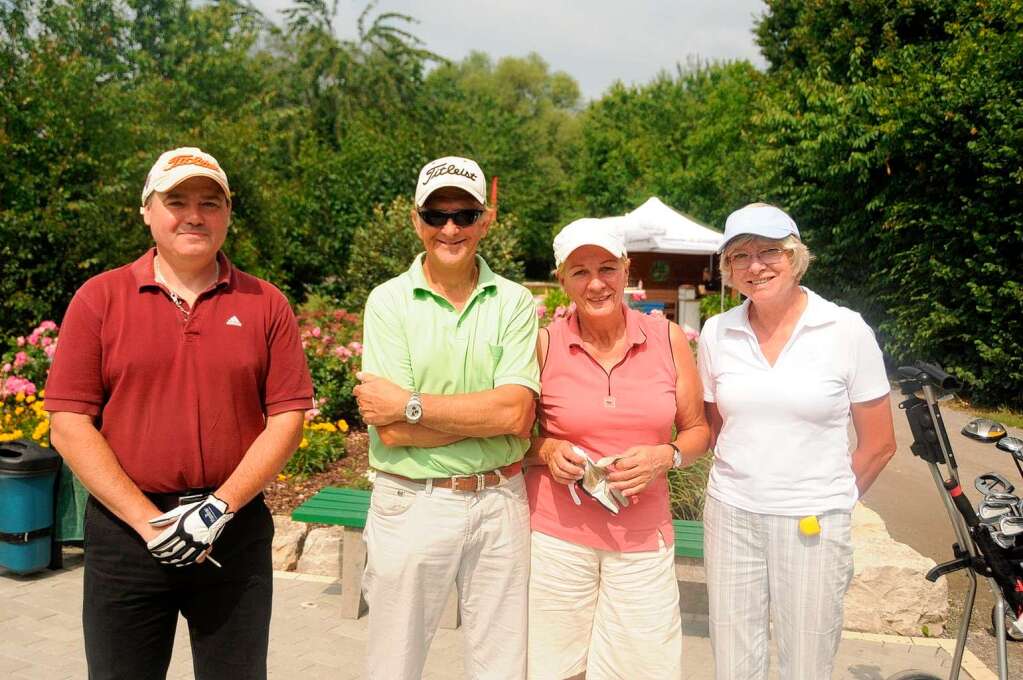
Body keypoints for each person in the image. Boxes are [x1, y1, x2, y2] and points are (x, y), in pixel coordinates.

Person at [44, 147, 313, 680]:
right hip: (127, 536)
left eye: (210, 202)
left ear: (228, 215)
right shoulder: (100, 298)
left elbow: (287, 419)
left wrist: (215, 512)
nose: (195, 214)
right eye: (177, 200)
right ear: (147, 210)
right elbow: (68, 423)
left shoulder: (265, 303)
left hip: (232, 533)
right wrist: (152, 525)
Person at [353, 155, 539, 680]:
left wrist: (413, 405)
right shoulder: (388, 301)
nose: (450, 228)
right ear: (417, 220)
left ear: (486, 219)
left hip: (501, 501)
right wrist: (488, 413)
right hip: (413, 501)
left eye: (464, 214)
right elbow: (390, 430)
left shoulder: (515, 301)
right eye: (437, 216)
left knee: (503, 668)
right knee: (395, 666)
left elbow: (518, 413)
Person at [697, 203, 897, 680]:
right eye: (740, 256)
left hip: (812, 522)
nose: (755, 266)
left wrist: (832, 499)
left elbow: (879, 443)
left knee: (806, 662)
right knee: (732, 658)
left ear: (795, 256)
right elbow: (717, 426)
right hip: (731, 516)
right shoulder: (716, 332)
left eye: (769, 252)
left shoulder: (845, 329)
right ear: (727, 268)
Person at [524, 217, 710, 680]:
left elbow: (698, 432)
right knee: (555, 667)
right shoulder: (544, 344)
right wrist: (547, 451)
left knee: (643, 668)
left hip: (643, 538)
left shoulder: (667, 339)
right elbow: (517, 439)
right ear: (561, 279)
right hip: (557, 537)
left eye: (607, 267)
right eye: (580, 271)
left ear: (627, 270)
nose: (596, 283)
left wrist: (663, 456)